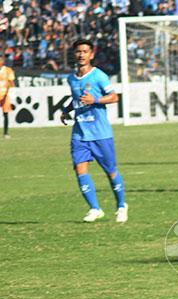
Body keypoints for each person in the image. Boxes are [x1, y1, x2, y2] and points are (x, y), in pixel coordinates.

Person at [61, 39, 128, 223]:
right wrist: (67, 110)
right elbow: (77, 98)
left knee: (110, 171)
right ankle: (95, 208)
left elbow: (114, 97)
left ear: (91, 54)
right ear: (74, 54)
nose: (81, 54)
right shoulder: (71, 78)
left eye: (85, 51)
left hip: (100, 134)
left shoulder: (99, 76)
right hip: (80, 134)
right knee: (79, 169)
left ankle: (121, 206)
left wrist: (96, 100)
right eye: (78, 51)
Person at [0, 55, 15, 139]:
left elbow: (12, 83)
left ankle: (5, 133)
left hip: (5, 94)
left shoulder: (8, 70)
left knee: (5, 114)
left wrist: (13, 95)